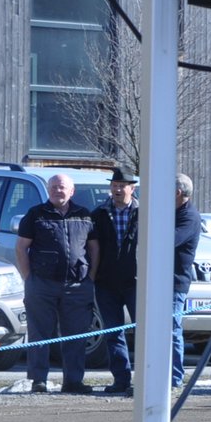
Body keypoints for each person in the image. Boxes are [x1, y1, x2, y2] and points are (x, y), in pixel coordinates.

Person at [17, 173, 96, 395]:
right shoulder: (35, 215)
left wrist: (91, 276)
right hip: (42, 284)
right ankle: (38, 380)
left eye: (61, 187)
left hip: (77, 285)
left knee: (76, 335)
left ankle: (73, 381)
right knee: (39, 333)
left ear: (71, 191)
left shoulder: (84, 215)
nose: (56, 191)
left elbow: (94, 248)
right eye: (53, 187)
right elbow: (21, 247)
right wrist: (29, 278)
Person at [86, 169, 140, 398]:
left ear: (132, 188)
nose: (117, 189)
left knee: (144, 332)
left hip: (137, 282)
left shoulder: (145, 213)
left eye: (122, 185)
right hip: (106, 282)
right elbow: (90, 248)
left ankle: (144, 381)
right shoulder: (98, 214)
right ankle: (121, 379)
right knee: (113, 333)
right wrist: (93, 276)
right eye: (115, 185)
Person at [171, 175, 200, 386]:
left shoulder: (189, 216)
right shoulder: (172, 212)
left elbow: (168, 240)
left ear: (177, 192)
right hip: (160, 282)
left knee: (172, 330)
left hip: (175, 282)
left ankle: (174, 378)